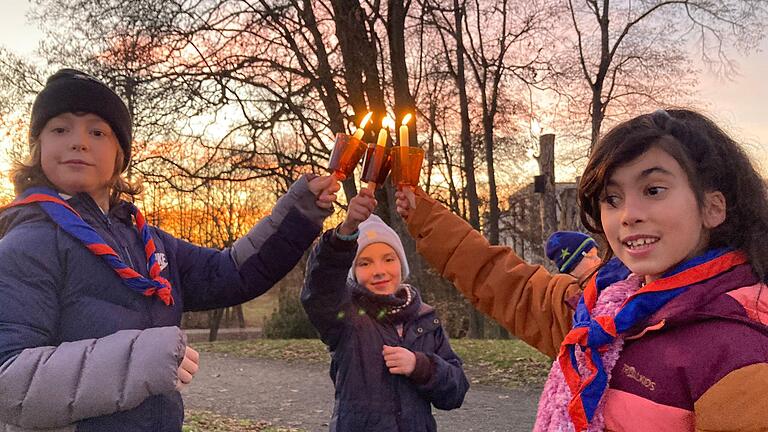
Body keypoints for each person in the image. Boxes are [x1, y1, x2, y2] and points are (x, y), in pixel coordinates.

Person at [0, 69, 339, 432]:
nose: (79, 142)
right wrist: (143, 359)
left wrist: (298, 213)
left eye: (97, 132)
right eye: (60, 129)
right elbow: (10, 382)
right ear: (38, 147)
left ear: (121, 155)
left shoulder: (146, 241)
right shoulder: (27, 242)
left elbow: (229, 273)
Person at [395, 109, 768, 431]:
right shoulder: (603, 312)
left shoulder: (741, 348)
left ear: (713, 207)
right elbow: (507, 284)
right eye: (612, 198)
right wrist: (422, 213)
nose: (628, 214)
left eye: (653, 189)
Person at [302, 187, 469, 432]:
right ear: (354, 272)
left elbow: (455, 392)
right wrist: (346, 231)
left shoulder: (426, 319)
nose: (379, 270)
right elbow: (319, 289)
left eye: (388, 259)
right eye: (365, 263)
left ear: (401, 264)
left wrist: (419, 365)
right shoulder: (346, 317)